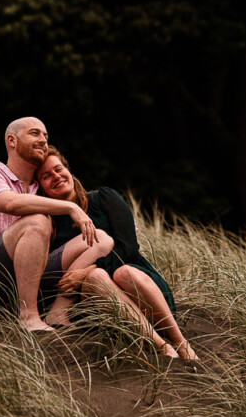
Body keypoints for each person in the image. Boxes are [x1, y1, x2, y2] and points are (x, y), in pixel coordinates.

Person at [36, 146, 197, 360]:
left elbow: (129, 249)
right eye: (46, 176)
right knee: (96, 278)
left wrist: (87, 270)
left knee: (122, 272)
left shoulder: (103, 198)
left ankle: (180, 341)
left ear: (68, 170)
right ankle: (159, 345)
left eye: (58, 169)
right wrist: (89, 275)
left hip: (141, 288)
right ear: (41, 189)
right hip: (101, 304)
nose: (55, 177)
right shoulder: (49, 224)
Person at [0, 117, 102, 332]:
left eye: (45, 135)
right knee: (37, 219)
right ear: (12, 141)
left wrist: (119, 226)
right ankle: (29, 318)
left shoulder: (40, 190)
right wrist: (71, 209)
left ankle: (58, 312)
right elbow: (11, 203)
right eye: (35, 133)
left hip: (25, 284)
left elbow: (73, 209)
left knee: (98, 237)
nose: (43, 140)